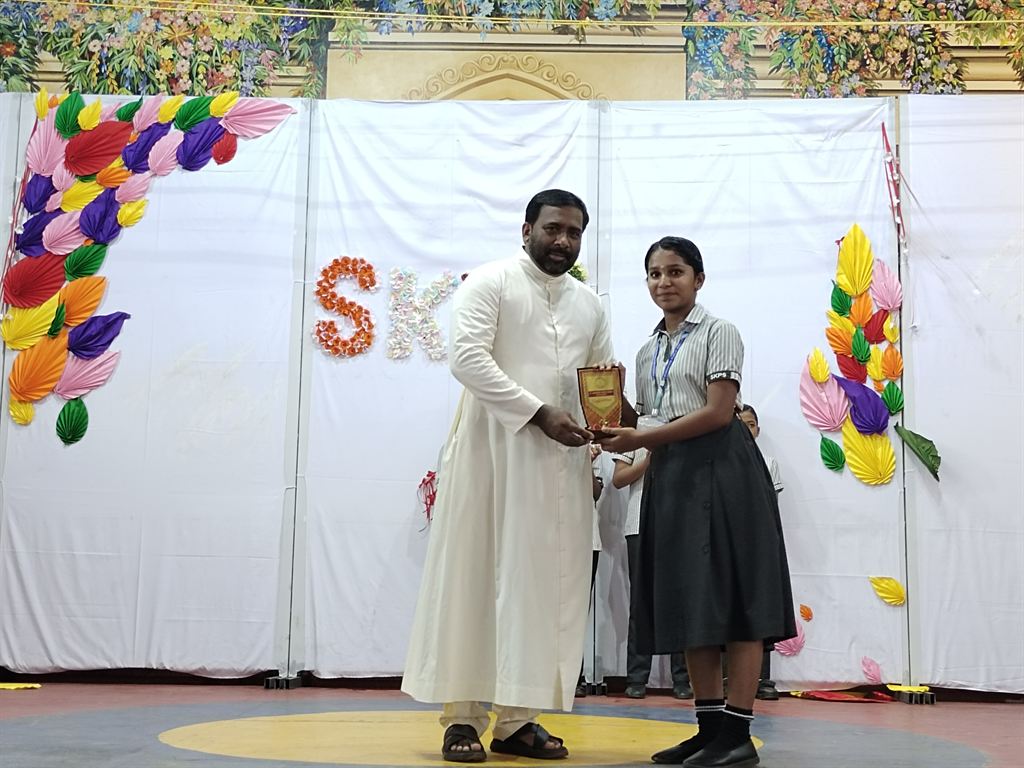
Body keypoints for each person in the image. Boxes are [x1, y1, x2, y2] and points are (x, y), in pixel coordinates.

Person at [401, 189, 616, 763]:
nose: (563, 241)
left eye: (574, 232)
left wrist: (607, 423)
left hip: (558, 466)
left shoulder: (589, 304)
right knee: (476, 575)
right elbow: (467, 358)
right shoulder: (490, 282)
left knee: (544, 586)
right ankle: (463, 718)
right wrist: (538, 412)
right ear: (527, 230)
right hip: (490, 455)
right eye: (553, 229)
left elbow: (598, 377)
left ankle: (518, 720)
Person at [599, 236, 796, 768]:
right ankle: (709, 730)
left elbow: (717, 412)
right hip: (674, 475)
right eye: (655, 274)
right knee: (692, 597)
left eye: (676, 271)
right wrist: (611, 404)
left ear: (698, 279)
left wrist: (642, 438)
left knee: (738, 597)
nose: (664, 282)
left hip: (724, 470)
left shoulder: (719, 332)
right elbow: (650, 418)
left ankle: (738, 734)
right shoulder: (646, 350)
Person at [611, 447, 693, 700]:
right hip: (639, 526)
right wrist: (648, 460)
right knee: (641, 602)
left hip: (680, 526)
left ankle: (682, 678)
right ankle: (637, 677)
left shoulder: (683, 432)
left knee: (680, 603)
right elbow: (618, 479)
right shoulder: (636, 436)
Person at [736, 404, 784, 702]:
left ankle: (762, 678)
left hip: (759, 544)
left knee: (760, 611)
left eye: (751, 424)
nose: (746, 429)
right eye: (741, 424)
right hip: (731, 544)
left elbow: (771, 505)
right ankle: (729, 678)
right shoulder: (722, 461)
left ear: (758, 429)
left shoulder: (769, 462)